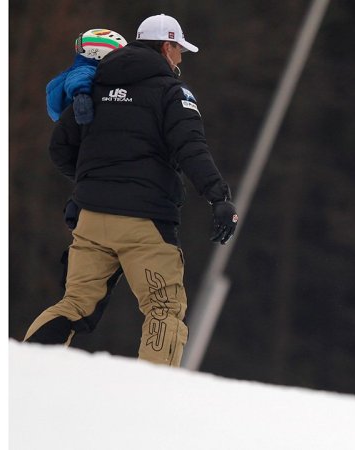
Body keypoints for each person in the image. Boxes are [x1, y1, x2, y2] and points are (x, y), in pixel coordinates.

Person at [24, 14, 239, 367]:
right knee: (164, 309)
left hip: (91, 218)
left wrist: (91, 184)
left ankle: (22, 369)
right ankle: (148, 402)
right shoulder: (172, 92)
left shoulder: (93, 84)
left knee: (75, 304)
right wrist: (219, 197)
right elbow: (191, 148)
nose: (181, 58)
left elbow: (60, 149)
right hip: (145, 223)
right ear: (167, 47)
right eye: (179, 50)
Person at [43, 29, 128, 335]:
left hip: (88, 175)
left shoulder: (74, 77)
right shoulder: (84, 76)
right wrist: (81, 95)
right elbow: (79, 77)